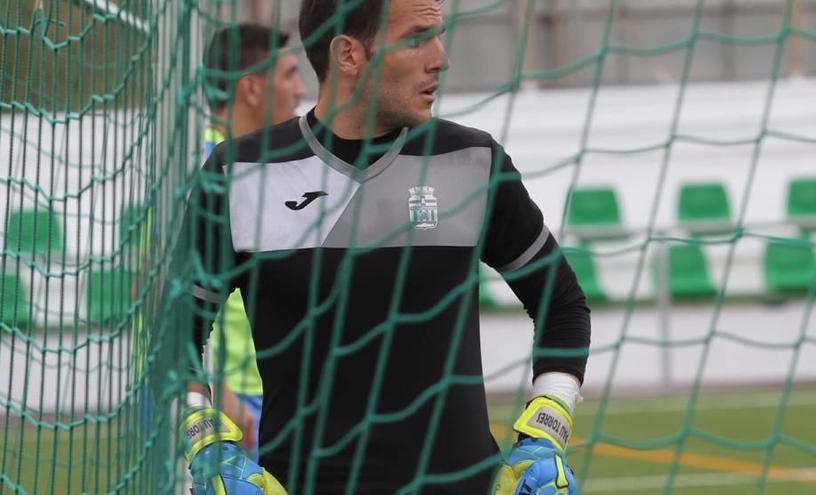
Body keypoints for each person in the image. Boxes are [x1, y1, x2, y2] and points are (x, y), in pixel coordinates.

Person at [164, 1, 591, 493]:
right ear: (348, 54)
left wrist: (546, 431)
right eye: (416, 38)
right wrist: (207, 444)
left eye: (439, 35)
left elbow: (561, 301)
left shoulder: (473, 161)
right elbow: (177, 336)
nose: (441, 58)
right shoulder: (239, 173)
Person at [201, 22, 308, 458]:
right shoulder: (201, 172)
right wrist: (216, 394)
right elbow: (158, 301)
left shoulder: (262, 168)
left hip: (266, 391)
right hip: (226, 399)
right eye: (288, 75)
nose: (301, 90)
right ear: (250, 90)